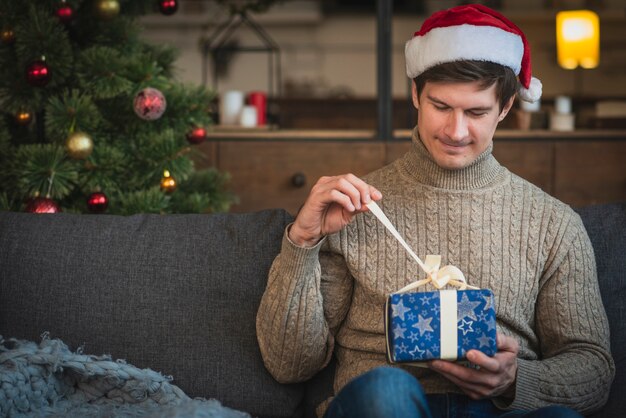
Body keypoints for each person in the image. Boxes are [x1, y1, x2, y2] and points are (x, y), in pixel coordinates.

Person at [256, 4, 615, 418]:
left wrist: (517, 380)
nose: (456, 132)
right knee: (387, 390)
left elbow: (592, 368)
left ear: (505, 107)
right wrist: (302, 241)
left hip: (500, 410)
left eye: (476, 112)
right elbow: (289, 365)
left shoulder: (553, 223)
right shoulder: (357, 207)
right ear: (415, 95)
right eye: (441, 107)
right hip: (385, 404)